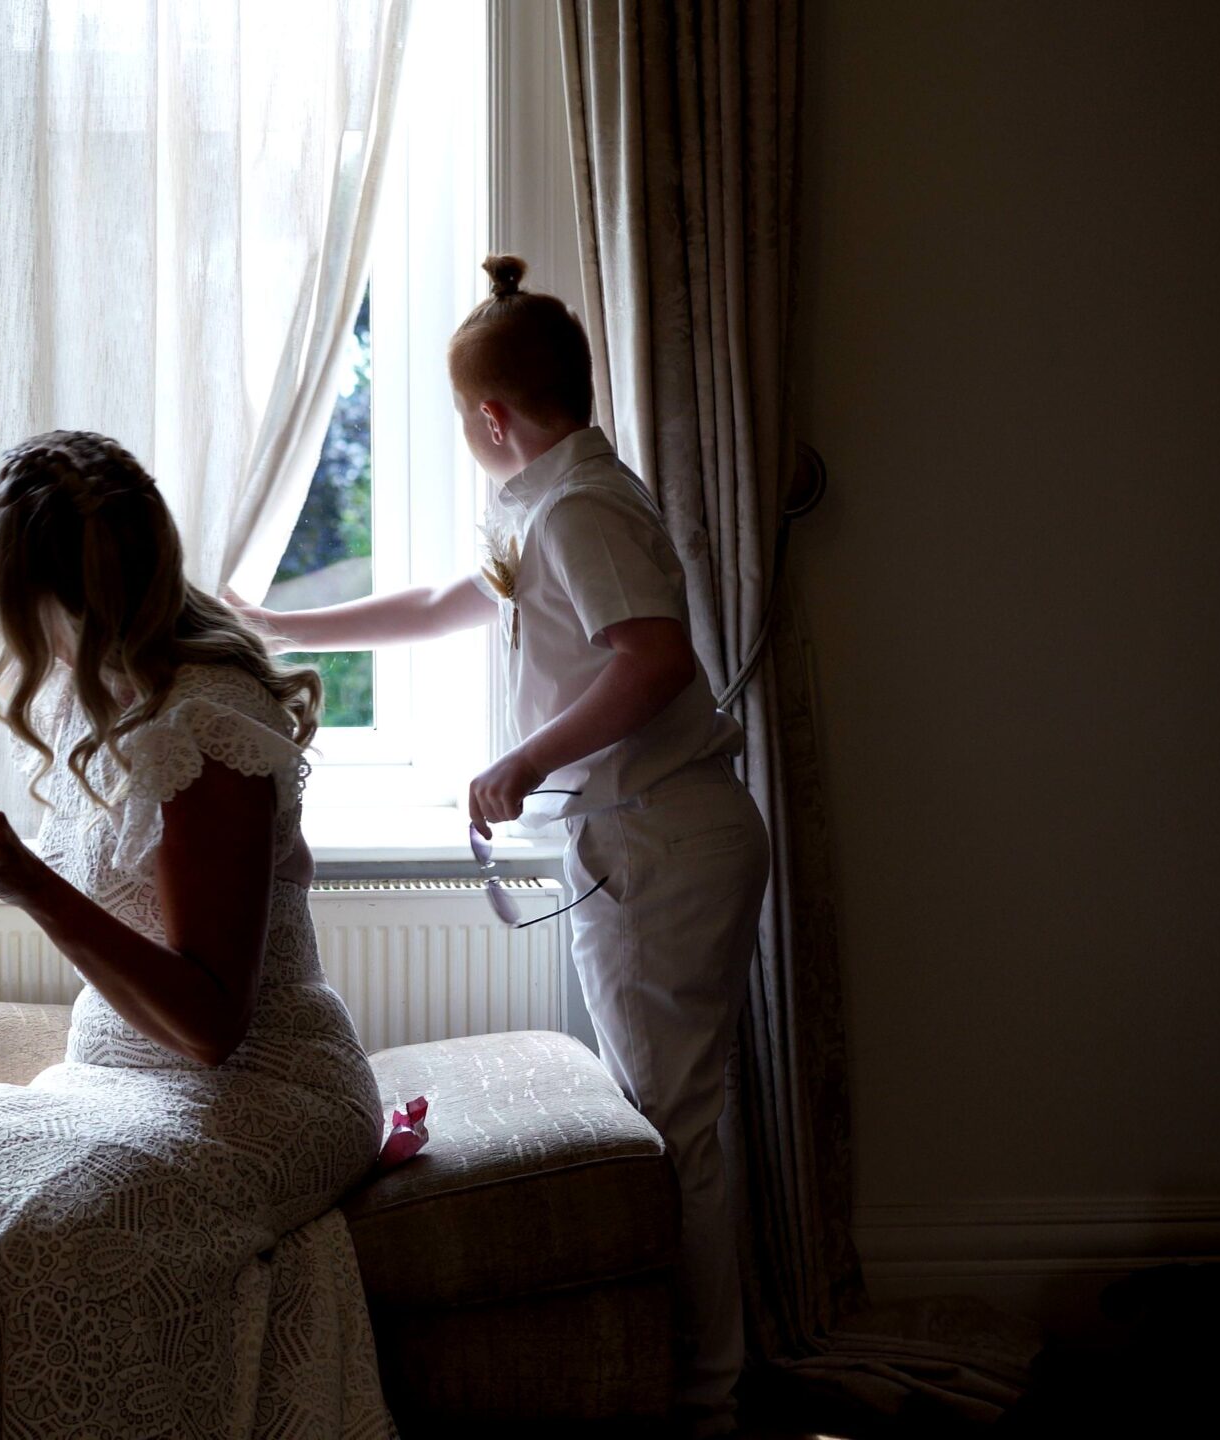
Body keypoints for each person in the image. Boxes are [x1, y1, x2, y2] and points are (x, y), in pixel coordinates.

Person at [232, 255, 769, 1436]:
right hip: (638, 835)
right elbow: (442, 606)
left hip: (663, 837)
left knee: (676, 1125)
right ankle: (693, 1379)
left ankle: (708, 1396)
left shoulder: (578, 509)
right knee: (667, 1115)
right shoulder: (542, 502)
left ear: (487, 415)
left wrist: (520, 762)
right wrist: (277, 624)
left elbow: (653, 659)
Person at [0, 430, 393, 1438]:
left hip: (263, 1087)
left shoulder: (207, 730)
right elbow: (24, 670)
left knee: (54, 1241)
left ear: (50, 601)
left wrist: (25, 879)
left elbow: (211, 1027)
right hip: (116, 1078)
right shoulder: (104, 680)